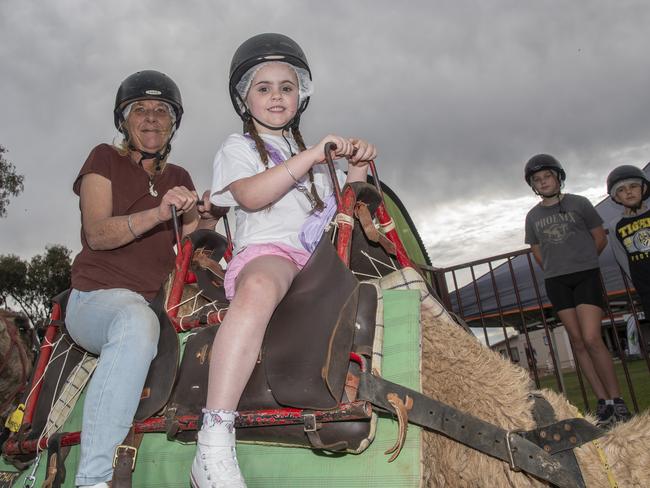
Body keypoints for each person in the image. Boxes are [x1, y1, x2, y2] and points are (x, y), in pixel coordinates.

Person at [190, 33, 377, 488]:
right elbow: (252, 196)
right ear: (244, 99)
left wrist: (356, 166)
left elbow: (339, 212)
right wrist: (314, 155)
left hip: (318, 260)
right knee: (258, 286)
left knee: (379, 282)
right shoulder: (237, 148)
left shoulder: (316, 163)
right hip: (271, 253)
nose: (277, 96)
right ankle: (214, 435)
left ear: (301, 97)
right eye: (264, 87)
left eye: (287, 87)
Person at [66, 70, 215, 487]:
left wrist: (204, 219)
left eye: (162, 110)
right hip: (95, 298)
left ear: (173, 123)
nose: (151, 117)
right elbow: (96, 232)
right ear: (124, 120)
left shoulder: (179, 177)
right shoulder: (103, 159)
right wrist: (157, 212)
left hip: (156, 302)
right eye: (140, 109)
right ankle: (93, 479)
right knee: (135, 321)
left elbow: (190, 247)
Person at [523, 154, 631, 428]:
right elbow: (537, 251)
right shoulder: (533, 216)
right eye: (537, 179)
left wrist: (583, 263)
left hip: (586, 275)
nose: (543, 182)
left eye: (547, 176)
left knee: (593, 337)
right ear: (533, 186)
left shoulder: (580, 203)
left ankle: (617, 399)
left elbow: (599, 237)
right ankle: (603, 403)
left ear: (558, 177)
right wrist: (555, 268)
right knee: (578, 341)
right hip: (557, 281)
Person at [607, 165, 650, 318]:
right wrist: (638, 283)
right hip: (646, 287)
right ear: (616, 197)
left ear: (643, 189)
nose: (628, 191)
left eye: (633, 186)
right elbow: (622, 258)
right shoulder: (615, 226)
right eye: (621, 189)